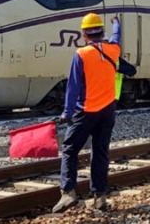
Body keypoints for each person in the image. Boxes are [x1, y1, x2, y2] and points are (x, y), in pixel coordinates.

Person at [53, 14, 135, 213]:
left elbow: (73, 87)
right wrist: (117, 23)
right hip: (107, 112)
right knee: (100, 152)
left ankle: (68, 193)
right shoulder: (113, 50)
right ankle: (100, 197)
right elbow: (116, 37)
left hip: (86, 111)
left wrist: (66, 112)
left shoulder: (81, 54)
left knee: (70, 150)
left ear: (84, 35)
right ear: (101, 32)